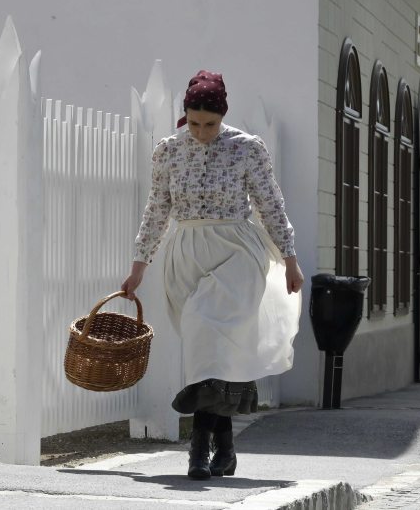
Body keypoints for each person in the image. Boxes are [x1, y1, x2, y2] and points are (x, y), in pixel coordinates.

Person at [121, 69, 304, 481]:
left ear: (223, 117)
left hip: (238, 252)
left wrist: (290, 258)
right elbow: (157, 211)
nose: (202, 132)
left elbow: (270, 204)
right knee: (209, 354)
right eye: (195, 123)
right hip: (186, 253)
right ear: (184, 114)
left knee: (207, 331)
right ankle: (225, 445)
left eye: (211, 124)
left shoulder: (247, 148)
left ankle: (198, 449)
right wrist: (138, 267)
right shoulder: (168, 151)